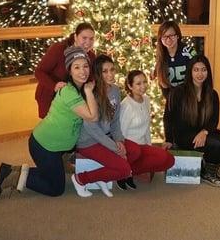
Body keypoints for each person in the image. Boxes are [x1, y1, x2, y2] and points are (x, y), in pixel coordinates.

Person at [0, 46, 98, 198]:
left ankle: (16, 169)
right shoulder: (70, 91)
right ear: (70, 70)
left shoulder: (79, 88)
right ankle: (11, 176)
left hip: (58, 147)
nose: (83, 71)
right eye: (77, 67)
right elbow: (92, 116)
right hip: (44, 146)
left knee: (53, 174)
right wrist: (88, 91)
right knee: (55, 189)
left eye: (86, 66)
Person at [72, 56, 174, 197]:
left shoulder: (114, 90)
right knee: (124, 170)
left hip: (109, 137)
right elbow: (92, 128)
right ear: (97, 73)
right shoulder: (91, 93)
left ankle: (106, 175)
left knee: (151, 155)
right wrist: (114, 146)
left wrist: (119, 140)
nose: (110, 74)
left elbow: (115, 122)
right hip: (89, 141)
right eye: (105, 71)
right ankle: (81, 179)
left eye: (112, 70)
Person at [164, 55, 220, 187]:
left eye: (203, 70)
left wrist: (204, 132)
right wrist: (169, 139)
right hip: (184, 136)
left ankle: (208, 169)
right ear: (190, 72)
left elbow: (213, 121)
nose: (200, 74)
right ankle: (209, 172)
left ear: (208, 72)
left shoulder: (212, 94)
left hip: (203, 131)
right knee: (218, 144)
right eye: (196, 70)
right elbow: (168, 117)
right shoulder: (178, 92)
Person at [118, 69, 175, 189]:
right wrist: (123, 153)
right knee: (137, 152)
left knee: (168, 159)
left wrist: (149, 147)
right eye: (138, 84)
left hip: (142, 146)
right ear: (130, 86)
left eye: (144, 82)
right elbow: (121, 133)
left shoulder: (147, 100)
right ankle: (123, 171)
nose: (143, 86)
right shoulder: (126, 105)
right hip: (129, 148)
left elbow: (146, 128)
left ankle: (128, 171)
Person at [35, 23, 96, 118]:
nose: (88, 42)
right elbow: (39, 72)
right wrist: (54, 85)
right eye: (84, 38)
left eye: (91, 39)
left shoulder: (91, 56)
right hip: (49, 96)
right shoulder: (58, 49)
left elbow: (90, 78)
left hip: (72, 100)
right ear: (75, 37)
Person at [154, 20, 196, 98]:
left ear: (177, 36)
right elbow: (163, 85)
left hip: (190, 98)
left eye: (171, 35)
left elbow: (197, 76)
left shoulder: (188, 52)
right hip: (171, 99)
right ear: (160, 39)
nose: (168, 39)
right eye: (164, 36)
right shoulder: (160, 55)